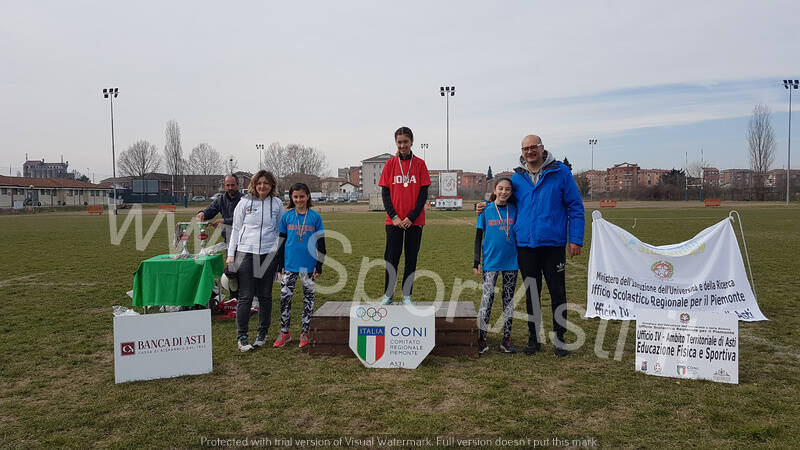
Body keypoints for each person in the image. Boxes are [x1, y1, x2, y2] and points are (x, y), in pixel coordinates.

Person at [476, 135, 584, 357]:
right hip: (525, 244)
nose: (529, 151)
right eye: (525, 148)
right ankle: (534, 339)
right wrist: (486, 205)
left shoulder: (560, 172)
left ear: (542, 149)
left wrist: (576, 238)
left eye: (533, 147)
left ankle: (559, 338)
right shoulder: (518, 177)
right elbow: (505, 197)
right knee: (532, 292)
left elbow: (575, 205)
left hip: (553, 244)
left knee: (557, 291)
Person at [226, 170, 284, 352]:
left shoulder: (277, 203)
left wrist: (278, 254)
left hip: (268, 254)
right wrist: (230, 255)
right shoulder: (244, 203)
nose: (262, 186)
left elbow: (280, 230)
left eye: (266, 183)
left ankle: (262, 334)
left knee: (265, 296)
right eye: (259, 183)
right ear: (254, 184)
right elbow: (235, 230)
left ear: (272, 185)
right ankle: (242, 337)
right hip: (245, 253)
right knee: (246, 296)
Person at [378, 126, 431, 305]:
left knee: (411, 259)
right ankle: (388, 294)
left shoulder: (420, 164)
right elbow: (385, 194)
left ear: (411, 142)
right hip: (393, 222)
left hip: (414, 222)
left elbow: (423, 194)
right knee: (391, 259)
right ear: (396, 143)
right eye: (399, 142)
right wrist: (394, 217)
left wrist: (411, 217)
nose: (402, 145)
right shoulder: (390, 164)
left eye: (405, 142)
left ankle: (407, 295)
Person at [273, 183, 326, 349]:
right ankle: (284, 332)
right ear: (291, 198)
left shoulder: (315, 217)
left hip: (309, 266)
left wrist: (319, 264)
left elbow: (321, 242)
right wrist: (279, 264)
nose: (298, 200)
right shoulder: (287, 217)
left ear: (308, 196)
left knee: (308, 299)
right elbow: (280, 243)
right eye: (295, 197)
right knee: (285, 298)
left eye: (302, 196)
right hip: (289, 265)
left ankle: (305, 331)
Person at [473, 177, 518, 354]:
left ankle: (506, 339)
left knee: (508, 300)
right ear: (494, 190)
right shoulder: (485, 210)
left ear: (511, 192)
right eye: (500, 188)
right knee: (487, 300)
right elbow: (478, 237)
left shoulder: (515, 209)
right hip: (490, 262)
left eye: (507, 189)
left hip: (511, 262)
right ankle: (482, 339)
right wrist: (476, 262)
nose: (504, 192)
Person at [197, 175, 242, 301]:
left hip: (245, 242)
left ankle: (250, 298)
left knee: (244, 272)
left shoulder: (245, 200)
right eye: (227, 185)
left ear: (238, 185)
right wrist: (202, 214)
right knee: (231, 271)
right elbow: (210, 210)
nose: (230, 188)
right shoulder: (221, 199)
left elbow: (245, 219)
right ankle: (234, 299)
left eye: (233, 185)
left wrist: (225, 221)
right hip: (229, 241)